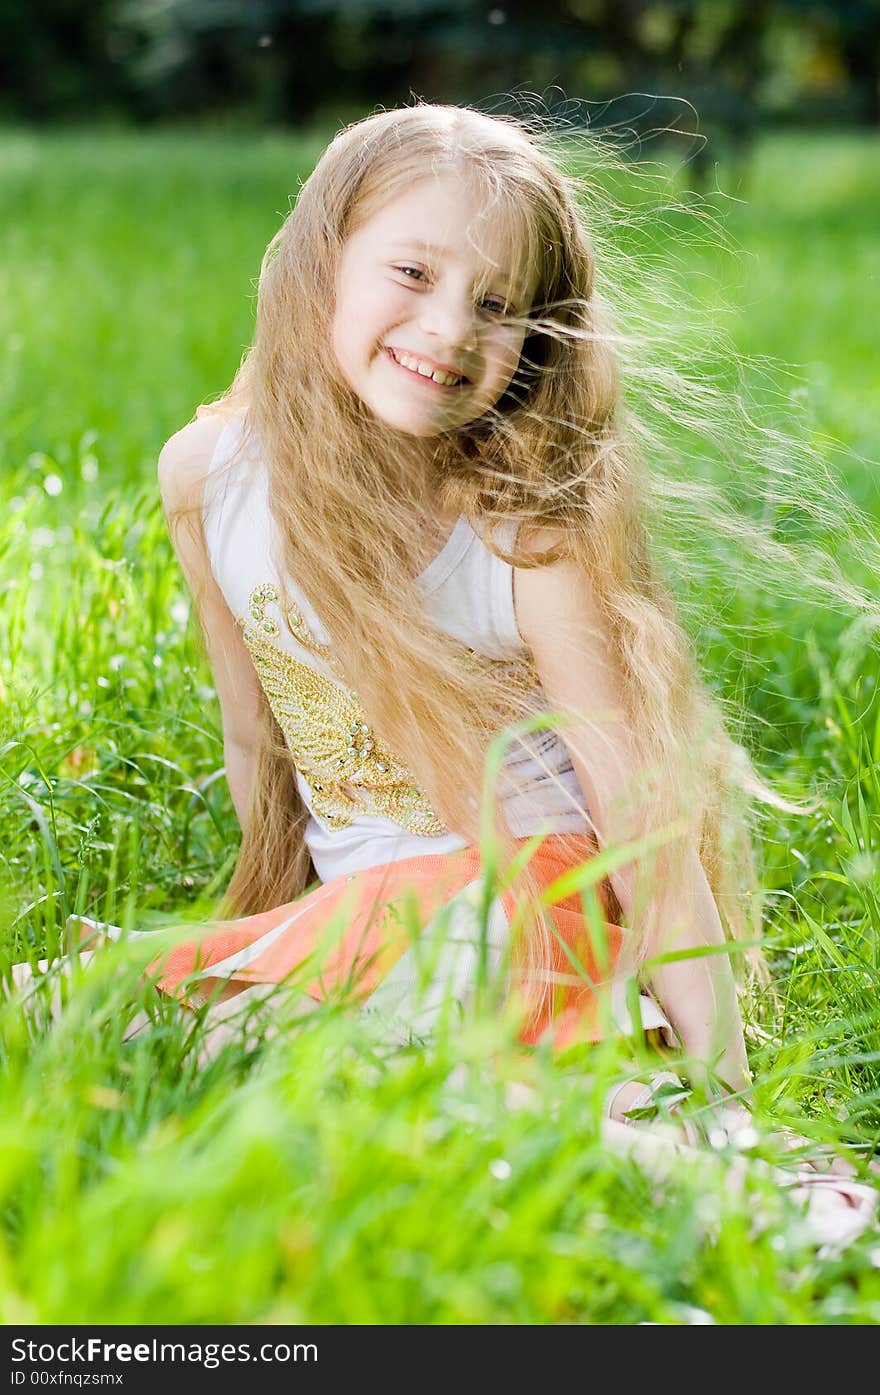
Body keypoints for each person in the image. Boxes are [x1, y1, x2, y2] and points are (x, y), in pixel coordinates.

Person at [11, 105, 878, 1236]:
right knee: (58, 1018)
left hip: (518, 900)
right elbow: (254, 740)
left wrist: (728, 1082)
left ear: (539, 338)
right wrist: (270, 924)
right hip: (375, 919)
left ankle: (719, 1164)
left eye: (496, 305)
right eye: (411, 271)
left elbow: (638, 814)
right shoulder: (210, 475)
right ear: (322, 261)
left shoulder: (524, 526)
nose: (449, 330)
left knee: (328, 1072)